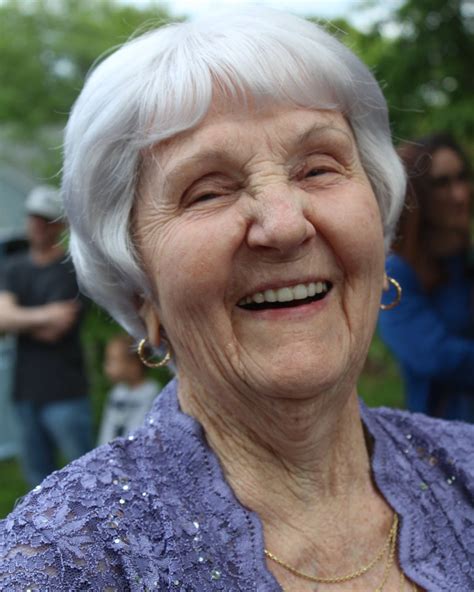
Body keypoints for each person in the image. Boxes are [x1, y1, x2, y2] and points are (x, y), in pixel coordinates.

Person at [0, 10, 472, 591]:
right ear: (139, 290)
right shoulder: (61, 567)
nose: (285, 225)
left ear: (378, 235)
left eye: (318, 168)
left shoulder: (465, 467)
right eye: (209, 191)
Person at [0, 185, 92, 487]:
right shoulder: (12, 268)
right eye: (34, 217)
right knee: (37, 484)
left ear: (60, 225)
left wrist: (19, 319)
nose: (38, 224)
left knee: (86, 477)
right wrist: (45, 314)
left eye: (46, 218)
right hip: (25, 393)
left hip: (66, 393)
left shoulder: (71, 269)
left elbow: (57, 329)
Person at [378, 133, 474, 422]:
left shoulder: (465, 262)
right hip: (446, 435)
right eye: (441, 183)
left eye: (462, 177)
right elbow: (434, 356)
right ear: (415, 194)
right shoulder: (395, 273)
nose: (460, 194)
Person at [97, 334, 160, 445]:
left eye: (112, 360)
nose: (106, 366)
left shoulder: (152, 393)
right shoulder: (116, 393)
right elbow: (107, 428)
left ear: (134, 365)